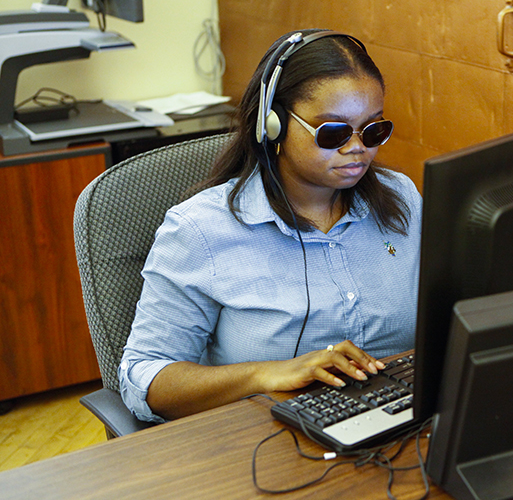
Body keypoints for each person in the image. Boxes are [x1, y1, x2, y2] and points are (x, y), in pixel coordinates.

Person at [119, 30, 422, 423]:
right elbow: (145, 379)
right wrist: (267, 373)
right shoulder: (201, 230)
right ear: (272, 124)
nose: (357, 148)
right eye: (333, 132)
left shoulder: (401, 199)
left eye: (374, 130)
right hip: (264, 445)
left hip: (398, 424)